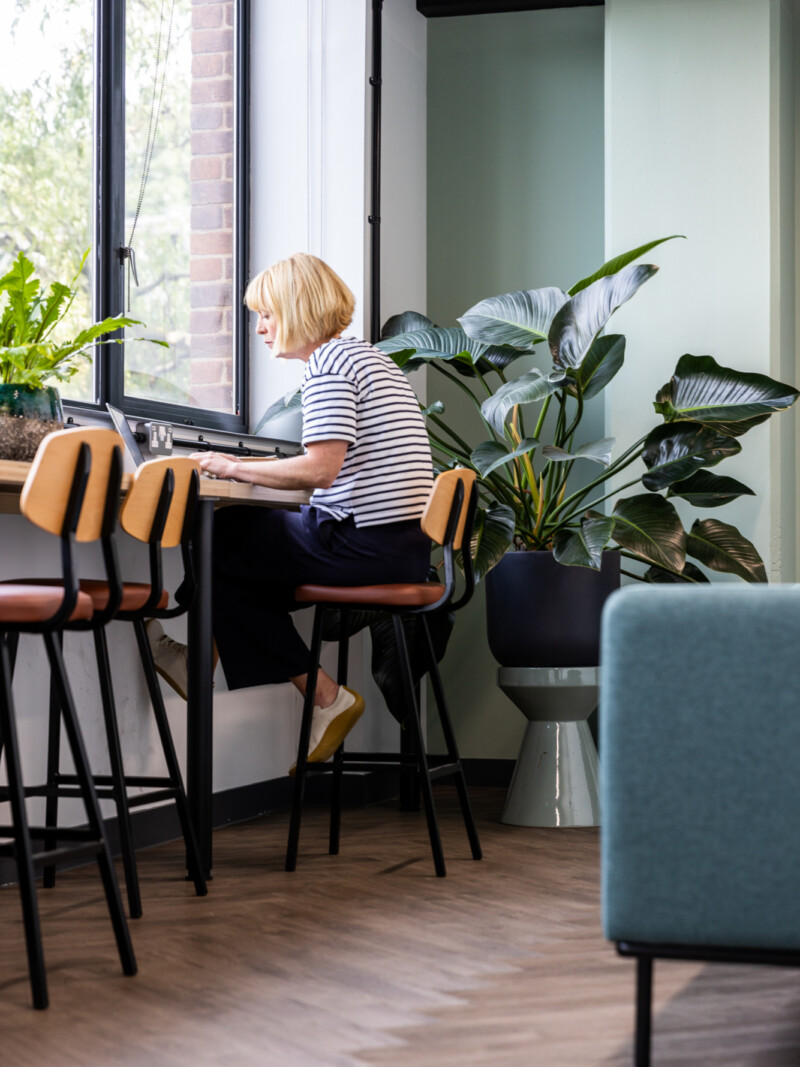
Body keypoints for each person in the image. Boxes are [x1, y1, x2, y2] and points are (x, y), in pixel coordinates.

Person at [148, 252, 433, 770]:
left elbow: (319, 470)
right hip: (402, 547)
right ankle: (226, 669)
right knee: (233, 575)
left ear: (298, 309)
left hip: (362, 543)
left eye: (268, 315)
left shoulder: (328, 367)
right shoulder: (369, 359)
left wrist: (232, 468)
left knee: (219, 534)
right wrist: (246, 465)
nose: (260, 329)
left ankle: (315, 694)